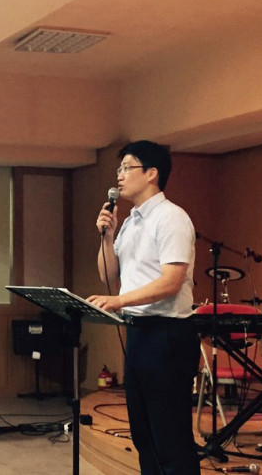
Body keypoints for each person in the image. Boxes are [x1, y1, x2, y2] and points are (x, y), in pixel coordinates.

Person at [88, 140, 200, 475]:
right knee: (144, 434)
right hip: (138, 334)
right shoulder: (130, 222)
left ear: (151, 173)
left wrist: (120, 301)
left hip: (168, 335)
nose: (119, 175)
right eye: (119, 168)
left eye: (127, 167)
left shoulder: (171, 218)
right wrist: (107, 237)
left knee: (170, 436)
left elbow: (172, 281)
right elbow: (109, 274)